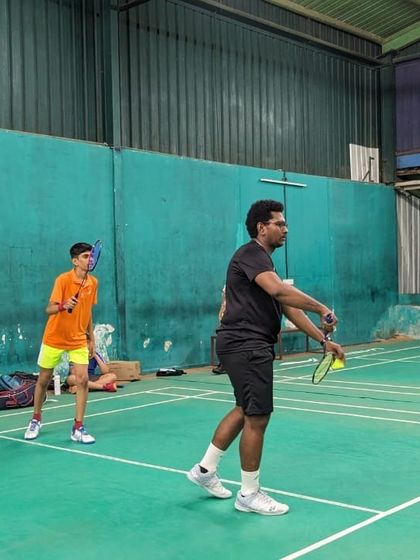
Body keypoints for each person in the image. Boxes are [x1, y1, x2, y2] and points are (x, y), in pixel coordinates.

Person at [187, 199, 345, 515]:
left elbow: (287, 307)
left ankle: (205, 470)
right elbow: (280, 292)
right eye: (280, 224)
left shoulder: (263, 263)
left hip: (242, 344)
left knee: (244, 408)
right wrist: (322, 308)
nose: (285, 229)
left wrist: (322, 340)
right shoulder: (250, 255)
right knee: (257, 416)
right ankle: (249, 494)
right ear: (262, 227)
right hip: (247, 344)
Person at [24, 242, 99, 444]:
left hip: (78, 339)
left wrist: (91, 338)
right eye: (85, 256)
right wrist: (63, 306)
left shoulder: (93, 283)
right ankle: (35, 419)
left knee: (83, 380)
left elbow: (88, 312)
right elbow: (49, 309)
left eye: (91, 256)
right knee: (43, 380)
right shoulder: (63, 280)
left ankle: (78, 427)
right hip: (54, 338)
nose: (90, 259)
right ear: (75, 261)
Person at [212, 285, 227, 375]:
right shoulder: (227, 286)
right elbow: (224, 300)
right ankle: (223, 364)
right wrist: (222, 311)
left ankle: (225, 365)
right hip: (226, 316)